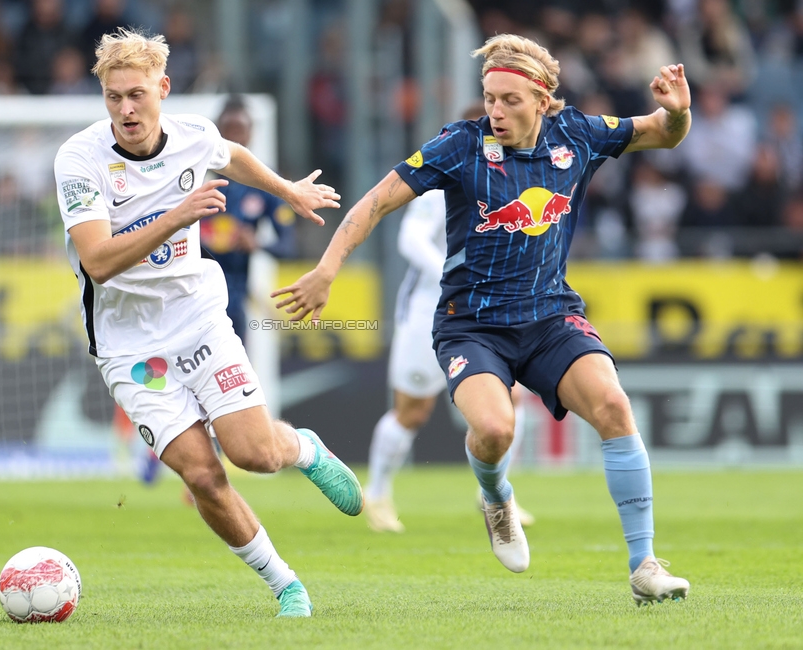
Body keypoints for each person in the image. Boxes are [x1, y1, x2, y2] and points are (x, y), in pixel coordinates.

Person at [273, 33, 692, 605]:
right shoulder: (459, 145)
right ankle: (496, 498)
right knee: (495, 430)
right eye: (489, 97)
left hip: (549, 317)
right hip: (471, 324)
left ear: (543, 100)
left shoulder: (580, 135)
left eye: (510, 100)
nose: (495, 111)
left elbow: (663, 133)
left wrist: (680, 110)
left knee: (616, 407)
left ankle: (644, 564)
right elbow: (375, 201)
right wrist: (327, 268)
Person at [53, 28, 363, 618]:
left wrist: (287, 188)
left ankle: (303, 449)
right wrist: (176, 217)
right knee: (201, 473)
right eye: (114, 97)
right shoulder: (79, 159)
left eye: (137, 95)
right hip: (127, 346)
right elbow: (96, 261)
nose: (126, 110)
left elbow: (231, 156)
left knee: (255, 455)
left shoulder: (193, 135)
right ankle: (286, 586)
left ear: (163, 89)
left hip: (196, 320)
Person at [365, 104, 536, 533]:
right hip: (432, 307)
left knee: (511, 403)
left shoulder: (521, 179)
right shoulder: (448, 175)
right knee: (412, 411)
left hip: (490, 310)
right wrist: (453, 268)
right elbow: (409, 238)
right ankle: (379, 493)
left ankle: (493, 494)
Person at [200, 96, 297, 341]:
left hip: (234, 299)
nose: (234, 138)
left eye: (239, 130)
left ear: (251, 133)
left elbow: (288, 245)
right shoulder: (192, 178)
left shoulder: (266, 186)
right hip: (188, 294)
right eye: (227, 130)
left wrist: (257, 243)